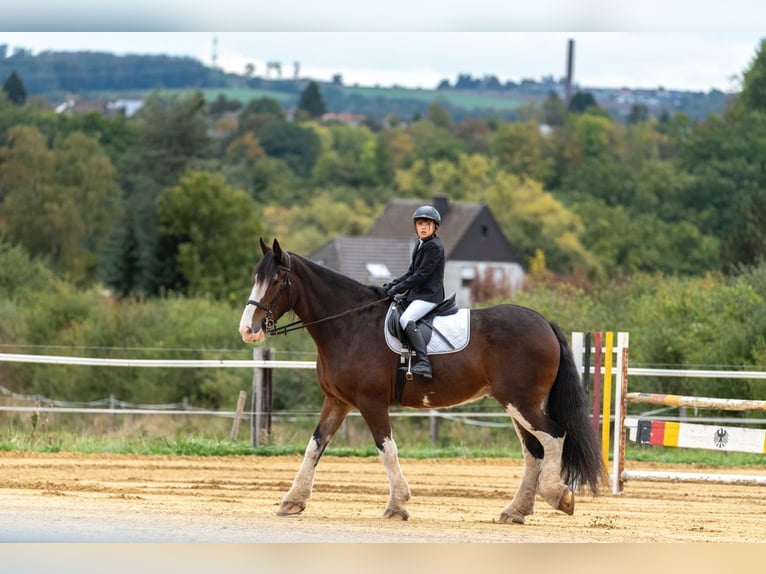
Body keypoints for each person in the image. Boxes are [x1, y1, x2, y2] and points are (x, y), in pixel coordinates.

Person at [384, 205, 445, 379]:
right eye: (420, 224)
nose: (423, 227)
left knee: (406, 319)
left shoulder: (434, 246)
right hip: (418, 294)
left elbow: (421, 275)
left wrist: (397, 289)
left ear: (435, 227)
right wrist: (392, 284)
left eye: (427, 224)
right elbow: (411, 272)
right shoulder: (421, 245)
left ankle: (424, 362)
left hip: (429, 296)